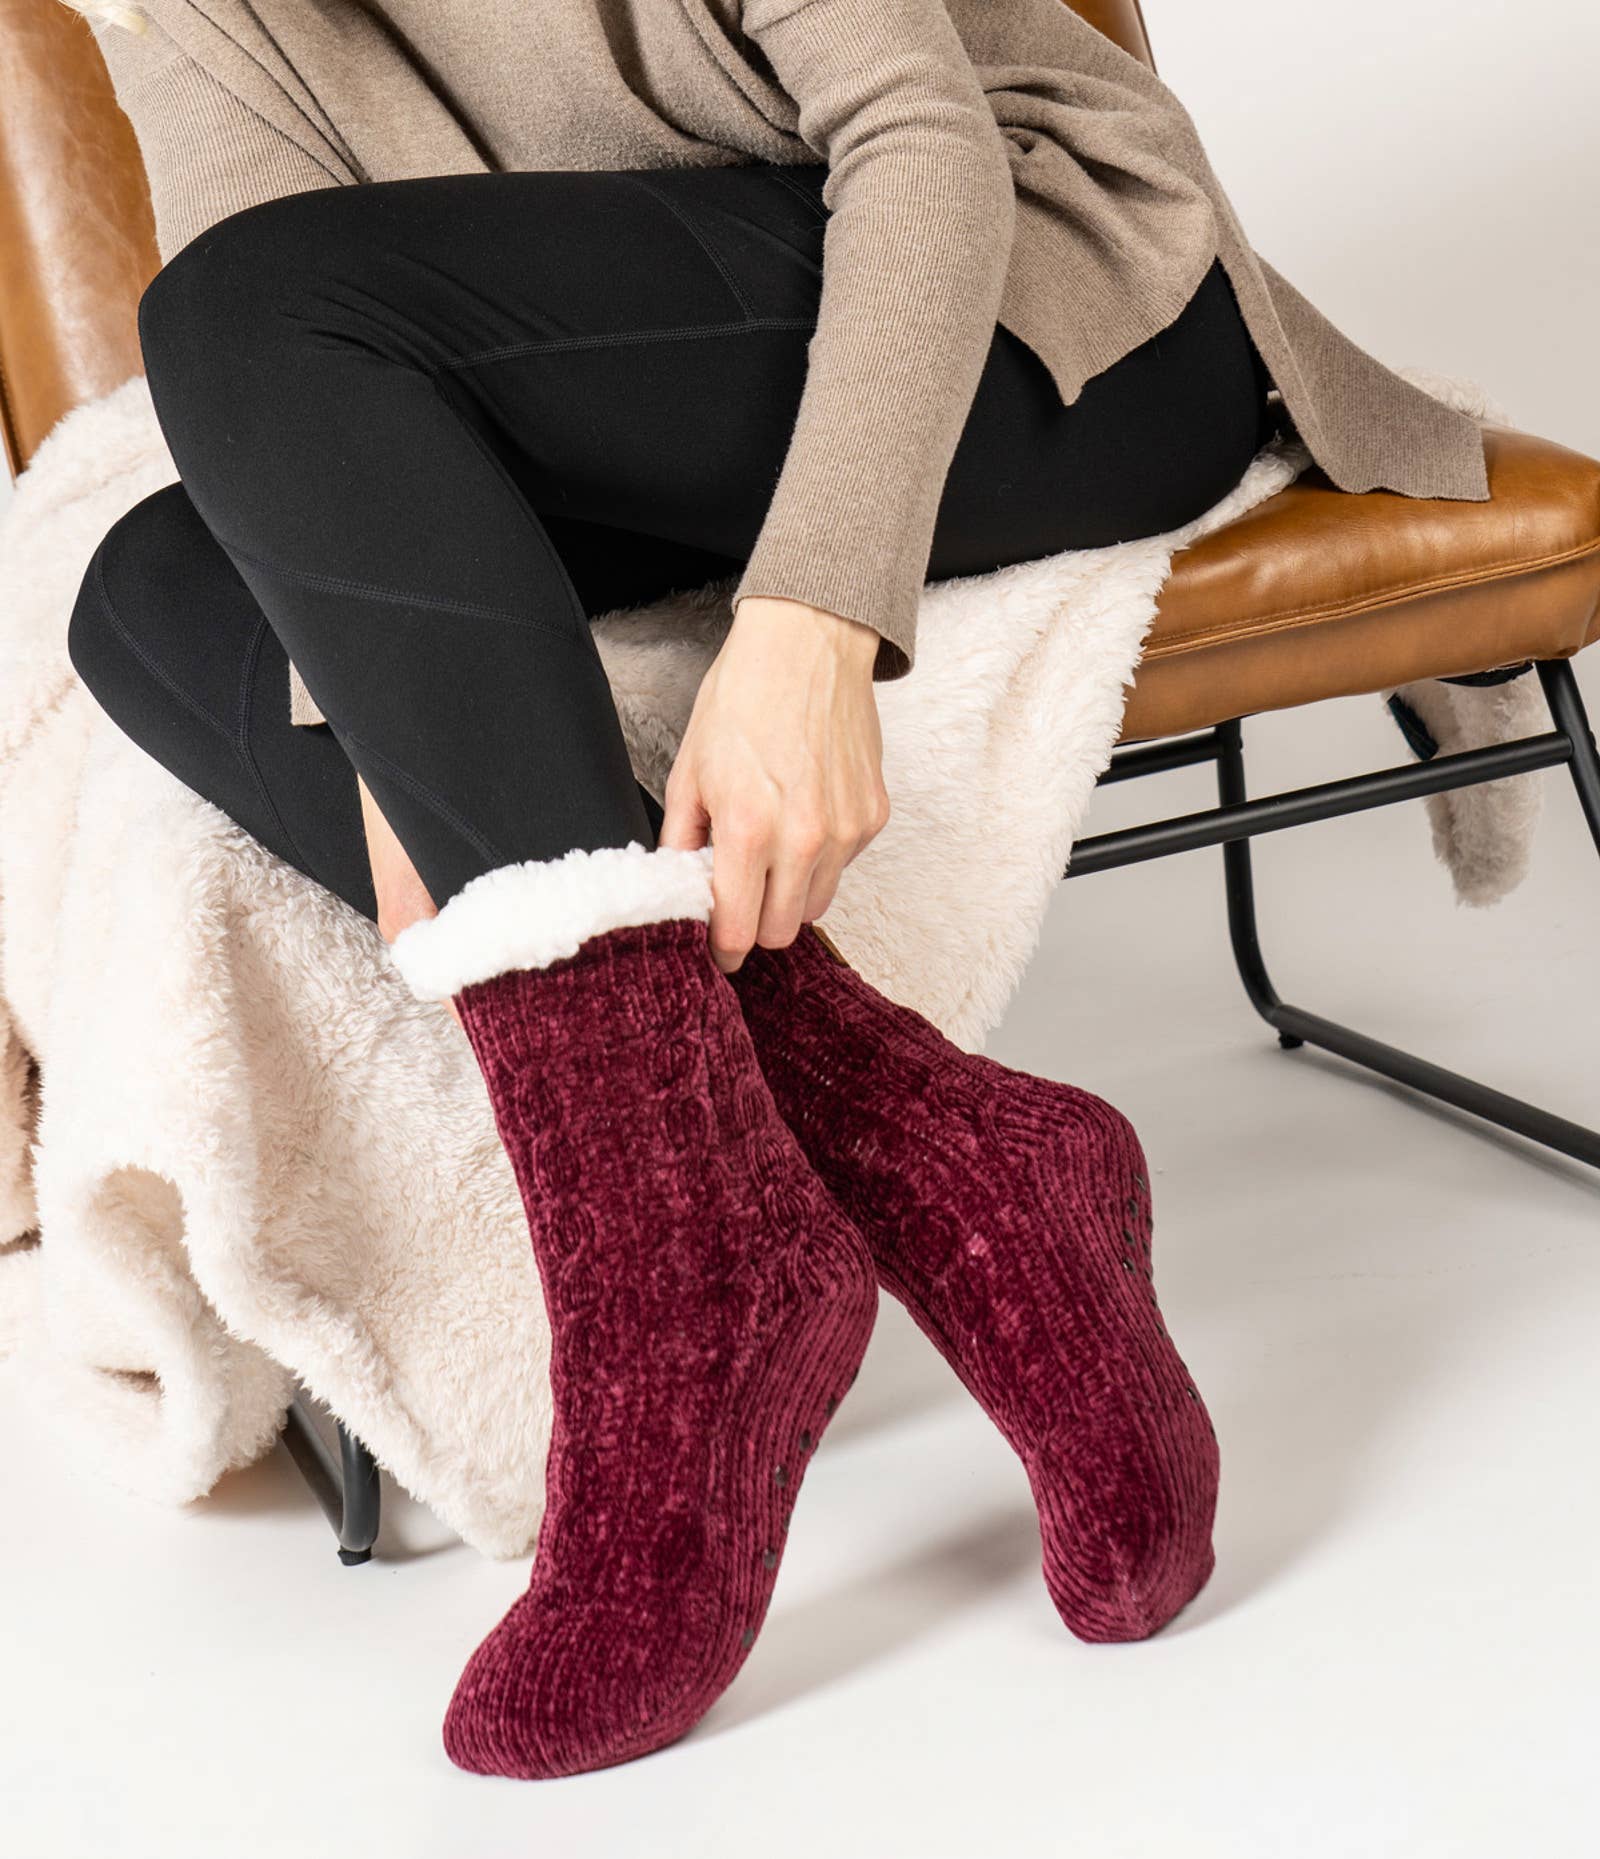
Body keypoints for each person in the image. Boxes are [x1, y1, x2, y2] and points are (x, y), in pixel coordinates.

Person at [62, 0, 1486, 1781]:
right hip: (635, 373)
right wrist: (389, 719)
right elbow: (292, 408)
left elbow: (922, 140)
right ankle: (931, 1159)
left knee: (238, 320)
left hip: (1044, 305)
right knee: (149, 583)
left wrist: (814, 617)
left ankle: (689, 1297)